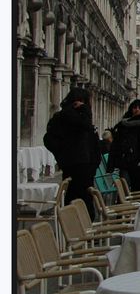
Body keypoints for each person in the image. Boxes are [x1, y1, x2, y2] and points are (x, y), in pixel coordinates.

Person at [44, 87, 101, 219]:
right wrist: (63, 154)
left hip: (81, 163)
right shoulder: (73, 116)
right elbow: (86, 126)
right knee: (82, 197)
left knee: (76, 195)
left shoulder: (65, 115)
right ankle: (83, 227)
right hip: (80, 164)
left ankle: (76, 226)